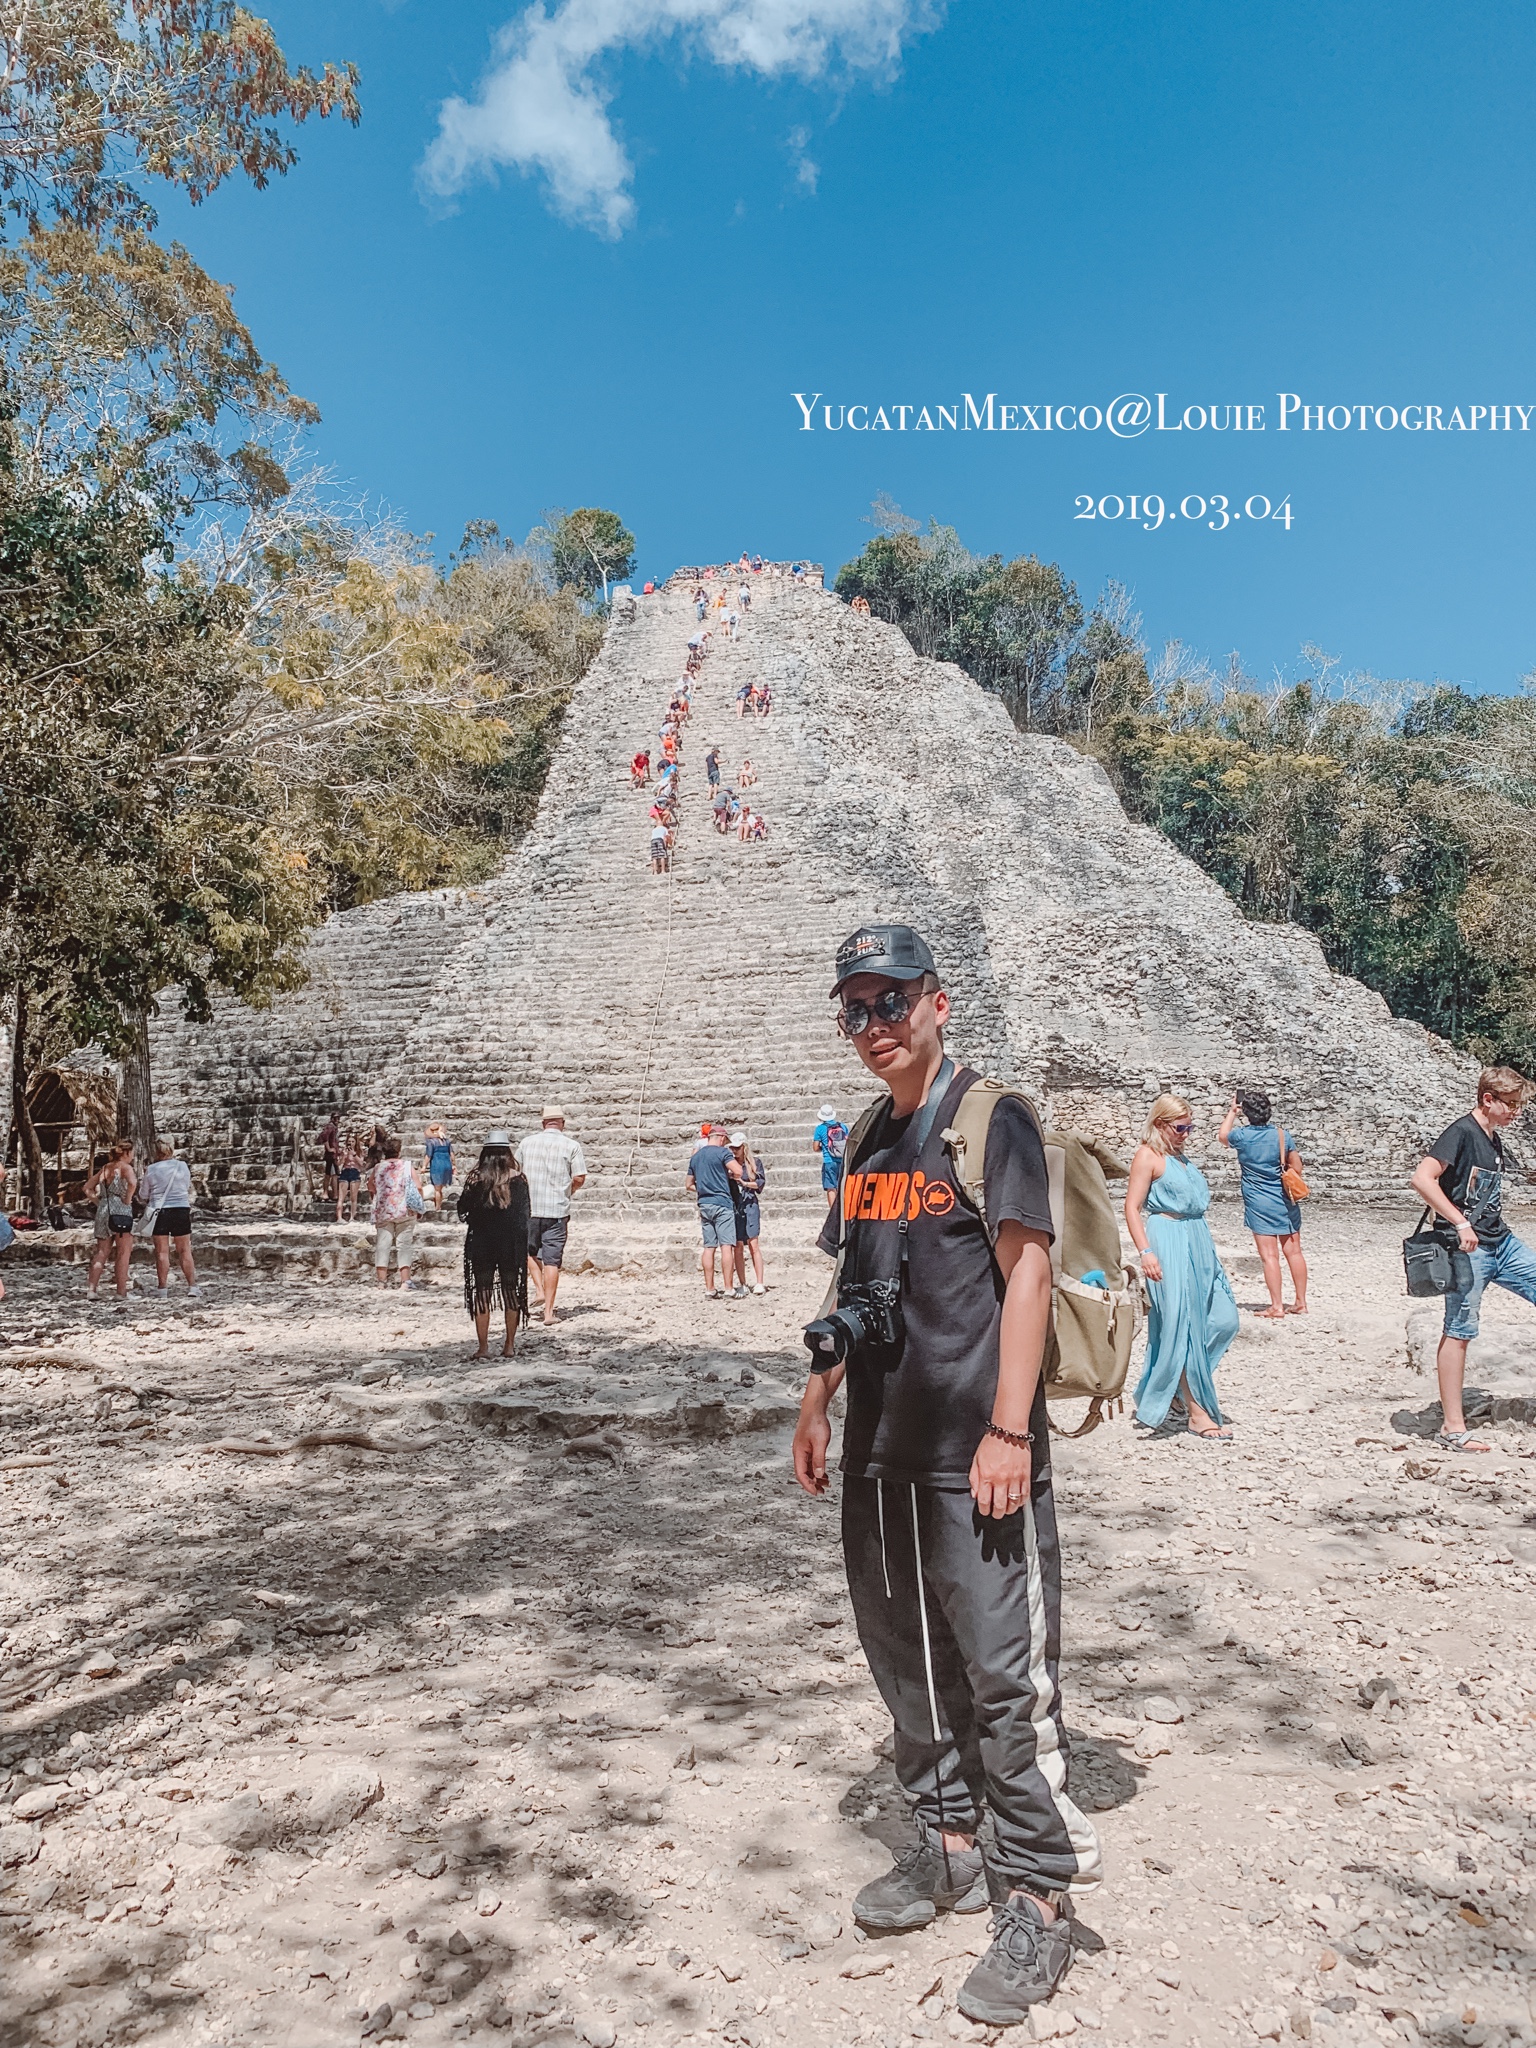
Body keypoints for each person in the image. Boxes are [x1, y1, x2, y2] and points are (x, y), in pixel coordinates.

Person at [792, 924, 1101, 2026]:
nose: (874, 1024)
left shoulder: (991, 1116)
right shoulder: (869, 1135)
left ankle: (1039, 1894)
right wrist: (816, 1401)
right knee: (904, 1661)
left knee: (1001, 1676)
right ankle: (950, 1840)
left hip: (977, 1451)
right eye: (855, 1008)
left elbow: (1030, 1272)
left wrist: (1010, 1429)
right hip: (881, 1446)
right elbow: (855, 1281)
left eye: (892, 1000)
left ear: (938, 1002)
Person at [1410, 1065, 1536, 1453]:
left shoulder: (1492, 1137)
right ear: (1487, 1099)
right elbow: (1422, 1178)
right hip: (1466, 1250)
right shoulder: (1461, 1132)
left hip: (1502, 1242)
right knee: (1460, 1328)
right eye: (1510, 1104)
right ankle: (1453, 1428)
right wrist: (1460, 1223)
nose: (1516, 1112)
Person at [1124, 1095, 1240, 1440]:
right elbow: (1132, 1207)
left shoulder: (1180, 1157)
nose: (1186, 1133)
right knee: (1181, 1325)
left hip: (1198, 1239)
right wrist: (1145, 1251)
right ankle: (1197, 1411)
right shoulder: (1148, 1156)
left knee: (1225, 1320)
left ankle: (1175, 1383)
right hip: (1168, 1237)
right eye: (1180, 1127)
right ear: (1160, 1124)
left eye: (1190, 1127)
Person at [1218, 1090, 1307, 1317]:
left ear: (1247, 1113)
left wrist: (1232, 1111)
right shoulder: (1281, 1135)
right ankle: (1300, 1302)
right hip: (1284, 1199)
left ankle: (1276, 1306)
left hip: (1258, 1200)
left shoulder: (1242, 1136)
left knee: (1269, 1256)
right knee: (1294, 1252)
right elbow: (1297, 1166)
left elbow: (1222, 1136)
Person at [456, 1132, 530, 1358]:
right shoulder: (519, 1179)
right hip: (511, 1244)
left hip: (482, 1243)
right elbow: (524, 1215)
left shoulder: (476, 1179)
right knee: (511, 1292)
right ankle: (509, 1345)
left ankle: (483, 1347)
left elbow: (463, 1210)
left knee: (482, 1293)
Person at [517, 1107, 588, 1325]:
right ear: (562, 1123)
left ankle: (539, 1289)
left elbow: (515, 1171)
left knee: (529, 1252)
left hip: (529, 1208)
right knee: (552, 1261)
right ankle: (548, 1312)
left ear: (543, 1123)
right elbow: (579, 1177)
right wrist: (568, 1191)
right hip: (556, 1210)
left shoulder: (526, 1143)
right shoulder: (571, 1145)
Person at [687, 1123, 743, 1298]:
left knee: (709, 1247)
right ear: (721, 1138)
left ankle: (710, 1289)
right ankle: (728, 1288)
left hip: (704, 1203)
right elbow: (738, 1170)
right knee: (726, 1246)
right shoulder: (723, 1153)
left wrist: (704, 1189)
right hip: (722, 1203)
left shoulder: (696, 1157)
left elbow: (688, 1184)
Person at [139, 1141, 201, 1299]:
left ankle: (162, 1288)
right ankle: (192, 1286)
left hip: (160, 1212)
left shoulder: (151, 1169)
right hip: (180, 1209)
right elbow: (185, 1186)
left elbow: (143, 1194)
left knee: (162, 1251)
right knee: (184, 1249)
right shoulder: (182, 1166)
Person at [84, 1139, 138, 1306]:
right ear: (127, 1153)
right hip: (121, 1210)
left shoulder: (105, 1169)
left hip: (104, 1209)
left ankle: (92, 1289)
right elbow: (132, 1183)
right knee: (123, 1252)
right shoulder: (125, 1168)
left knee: (101, 1252)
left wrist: (98, 1202)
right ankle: (121, 1292)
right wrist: (128, 1198)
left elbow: (87, 1188)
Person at [369, 1137, 421, 1291]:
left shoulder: (378, 1167)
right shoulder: (407, 1166)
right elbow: (418, 1186)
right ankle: (405, 1281)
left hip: (384, 1211)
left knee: (382, 1245)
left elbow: (370, 1185)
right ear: (399, 1151)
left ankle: (381, 1282)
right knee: (404, 1245)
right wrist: (419, 1207)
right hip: (405, 1210)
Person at [729, 1131, 768, 1294]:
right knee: (738, 1245)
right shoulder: (729, 1164)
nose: (734, 1151)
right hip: (736, 1206)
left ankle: (759, 1282)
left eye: (737, 1148)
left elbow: (760, 1183)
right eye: (732, 1148)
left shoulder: (755, 1163)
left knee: (753, 1244)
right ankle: (742, 1282)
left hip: (750, 1205)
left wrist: (744, 1183)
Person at [812, 1102, 849, 1209]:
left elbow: (815, 1147)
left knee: (831, 1188)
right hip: (842, 1161)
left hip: (829, 1161)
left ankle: (833, 1212)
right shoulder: (842, 1126)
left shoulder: (820, 1129)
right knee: (843, 1186)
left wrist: (824, 1148)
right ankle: (844, 1209)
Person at [424, 1122, 454, 1212]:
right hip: (447, 1164)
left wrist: (424, 1166)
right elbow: (452, 1154)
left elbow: (428, 1155)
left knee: (437, 1189)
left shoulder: (431, 1142)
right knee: (440, 1188)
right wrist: (454, 1165)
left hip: (437, 1165)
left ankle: (437, 1207)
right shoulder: (447, 1141)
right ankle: (439, 1204)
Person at [336, 1130, 363, 1223]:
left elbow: (361, 1163)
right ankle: (339, 1217)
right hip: (345, 1171)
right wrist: (344, 1156)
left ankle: (352, 1217)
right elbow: (339, 1163)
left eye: (352, 1141)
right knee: (341, 1197)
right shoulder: (344, 1151)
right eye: (349, 1141)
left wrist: (354, 1154)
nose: (351, 1143)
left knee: (353, 1197)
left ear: (355, 1142)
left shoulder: (359, 1152)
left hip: (354, 1172)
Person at [319, 1113, 340, 1202]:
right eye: (335, 1118)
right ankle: (327, 1193)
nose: (337, 1120)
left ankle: (333, 1194)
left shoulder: (334, 1127)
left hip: (333, 1155)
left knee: (332, 1174)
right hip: (330, 1155)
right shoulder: (330, 1127)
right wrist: (329, 1148)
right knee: (331, 1174)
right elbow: (324, 1137)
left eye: (338, 1118)